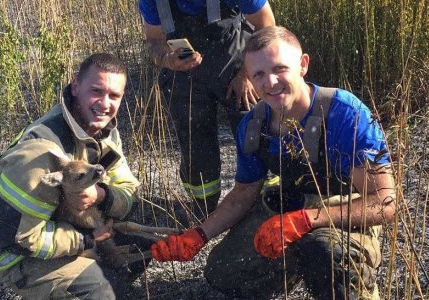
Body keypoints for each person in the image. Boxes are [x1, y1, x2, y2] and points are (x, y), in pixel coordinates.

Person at [151, 26, 397, 299]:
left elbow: (384, 203)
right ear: (250, 78)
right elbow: (242, 196)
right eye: (258, 74)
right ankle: (296, 265)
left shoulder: (346, 114)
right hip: (288, 212)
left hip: (342, 219)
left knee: (327, 254)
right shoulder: (253, 125)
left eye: (279, 69)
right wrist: (199, 235)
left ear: (302, 65)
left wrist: (307, 220)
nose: (270, 82)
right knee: (224, 272)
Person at [0, 53, 146, 299]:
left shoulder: (103, 132)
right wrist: (87, 239)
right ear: (76, 86)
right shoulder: (40, 153)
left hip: (70, 226)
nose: (105, 104)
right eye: (97, 91)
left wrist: (101, 195)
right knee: (98, 293)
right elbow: (15, 239)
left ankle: (110, 279)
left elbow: (127, 187)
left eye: (114, 96)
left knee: (144, 242)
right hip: (15, 257)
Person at [138, 0, 275, 221]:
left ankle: (268, 203)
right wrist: (167, 59)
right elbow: (153, 41)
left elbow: (267, 25)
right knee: (195, 143)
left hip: (235, 63)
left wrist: (248, 74)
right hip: (185, 74)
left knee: (254, 131)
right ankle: (203, 209)